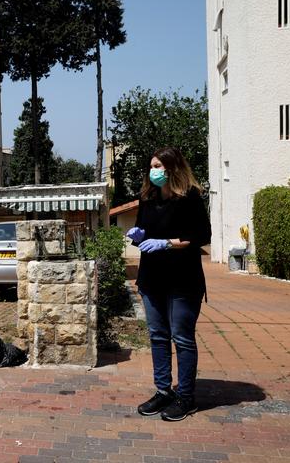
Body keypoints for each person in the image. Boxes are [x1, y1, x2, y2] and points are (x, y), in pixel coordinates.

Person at [126, 146, 211, 421]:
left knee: (183, 338)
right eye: (151, 166)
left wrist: (167, 243)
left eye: (159, 167)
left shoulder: (190, 197)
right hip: (152, 279)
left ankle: (186, 397)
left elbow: (200, 235)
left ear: (173, 168)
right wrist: (137, 235)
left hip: (183, 280)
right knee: (158, 336)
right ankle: (163, 391)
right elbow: (143, 233)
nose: (154, 172)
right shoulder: (148, 198)